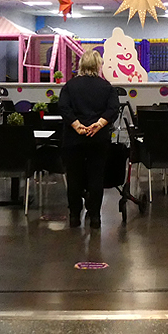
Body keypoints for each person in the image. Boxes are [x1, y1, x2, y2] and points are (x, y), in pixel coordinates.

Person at [58, 50, 119, 229]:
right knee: (96, 177)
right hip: (98, 139)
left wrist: (77, 125)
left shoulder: (69, 86)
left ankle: (74, 216)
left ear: (81, 65)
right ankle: (95, 217)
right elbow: (113, 109)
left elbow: (63, 107)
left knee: (74, 177)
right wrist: (98, 124)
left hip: (73, 139)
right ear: (98, 65)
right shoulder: (106, 87)